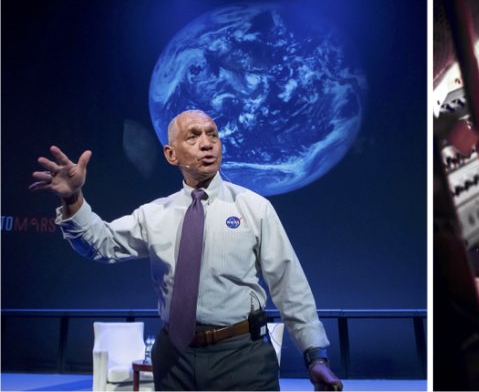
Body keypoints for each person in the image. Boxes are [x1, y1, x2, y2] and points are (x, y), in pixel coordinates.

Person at [30, 110, 343, 391]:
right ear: (170, 154)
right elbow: (100, 245)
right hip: (173, 359)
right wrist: (73, 200)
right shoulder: (154, 215)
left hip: (243, 359)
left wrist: (316, 356)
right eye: (193, 136)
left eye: (213, 135)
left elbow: (290, 286)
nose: (207, 143)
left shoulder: (254, 208)